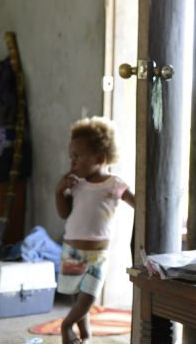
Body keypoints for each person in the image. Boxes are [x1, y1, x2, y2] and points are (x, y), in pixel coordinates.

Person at [54, 117, 134, 344]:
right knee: (77, 296)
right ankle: (85, 336)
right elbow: (63, 213)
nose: (72, 162)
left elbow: (138, 203)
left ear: (100, 158)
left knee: (88, 296)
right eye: (71, 156)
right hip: (72, 250)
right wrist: (59, 191)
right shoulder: (75, 183)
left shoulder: (114, 184)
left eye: (77, 156)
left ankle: (66, 325)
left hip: (97, 255)